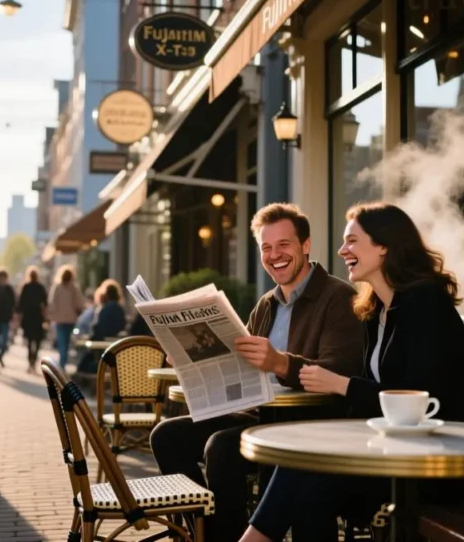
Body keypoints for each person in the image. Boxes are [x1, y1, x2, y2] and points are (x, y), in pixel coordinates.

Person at [240, 202, 464, 542]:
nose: (343, 250)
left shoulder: (425, 304)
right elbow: (377, 395)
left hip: (437, 464)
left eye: (353, 241)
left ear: (384, 245)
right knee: (303, 470)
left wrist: (341, 385)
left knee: (304, 475)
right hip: (395, 454)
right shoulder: (376, 310)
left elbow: (417, 398)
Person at [149, 203, 366, 541]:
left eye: (284, 245)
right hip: (260, 412)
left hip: (312, 422)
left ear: (305, 245)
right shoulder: (266, 304)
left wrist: (281, 363)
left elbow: (339, 372)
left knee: (221, 447)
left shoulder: (338, 298)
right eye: (266, 247)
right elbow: (241, 366)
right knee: (167, 435)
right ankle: (204, 533)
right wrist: (190, 360)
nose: (274, 255)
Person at [48, 265, 85, 370]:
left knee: (62, 342)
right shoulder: (73, 288)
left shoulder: (57, 287)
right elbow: (79, 303)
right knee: (67, 342)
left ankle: (62, 363)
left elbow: (52, 303)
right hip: (70, 319)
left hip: (59, 320)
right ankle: (62, 363)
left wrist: (52, 315)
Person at [16, 266, 48, 373]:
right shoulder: (40, 287)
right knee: (37, 340)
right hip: (37, 317)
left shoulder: (25, 287)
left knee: (30, 341)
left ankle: (30, 362)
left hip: (28, 317)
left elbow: (20, 304)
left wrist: (18, 316)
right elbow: (45, 303)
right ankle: (33, 360)